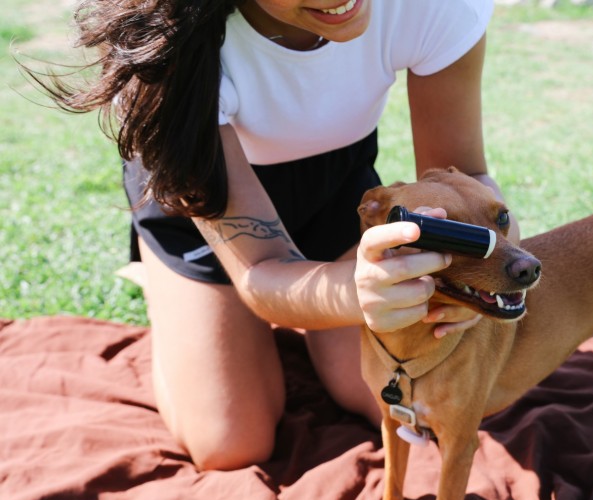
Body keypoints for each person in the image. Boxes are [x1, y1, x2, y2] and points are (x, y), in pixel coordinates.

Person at [39, 0, 519, 470]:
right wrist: (359, 293)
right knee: (231, 443)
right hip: (199, 201)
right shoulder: (159, 50)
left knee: (397, 397)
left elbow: (466, 179)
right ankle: (170, 290)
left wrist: (485, 263)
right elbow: (264, 269)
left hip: (336, 188)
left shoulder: (438, 6)